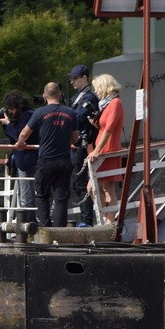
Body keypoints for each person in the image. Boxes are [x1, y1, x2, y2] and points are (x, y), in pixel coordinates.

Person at [14, 82, 78, 228]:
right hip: (64, 160)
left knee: (42, 196)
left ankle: (46, 230)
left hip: (46, 161)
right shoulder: (70, 113)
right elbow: (75, 138)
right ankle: (59, 232)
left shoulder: (39, 112)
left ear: (44, 96)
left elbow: (24, 133)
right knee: (61, 198)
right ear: (60, 94)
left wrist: (20, 143)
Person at [86, 74, 125, 224]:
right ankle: (107, 217)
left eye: (97, 88)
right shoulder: (107, 104)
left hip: (109, 149)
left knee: (107, 187)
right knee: (93, 187)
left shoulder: (115, 103)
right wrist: (96, 125)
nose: (96, 92)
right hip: (103, 148)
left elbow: (109, 129)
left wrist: (96, 150)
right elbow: (105, 127)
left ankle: (109, 220)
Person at [0, 90, 38, 223]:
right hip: (26, 160)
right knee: (25, 197)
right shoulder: (27, 116)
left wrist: (8, 124)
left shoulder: (27, 117)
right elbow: (13, 136)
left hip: (27, 161)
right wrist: (7, 124)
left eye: (11, 109)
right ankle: (28, 226)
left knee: (26, 198)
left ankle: (28, 228)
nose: (11, 112)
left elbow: (18, 135)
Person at [68, 64, 99, 226]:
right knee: (77, 184)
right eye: (71, 78)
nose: (72, 81)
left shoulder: (89, 97)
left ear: (85, 78)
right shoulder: (78, 97)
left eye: (75, 78)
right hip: (76, 145)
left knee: (82, 183)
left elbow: (78, 118)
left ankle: (87, 220)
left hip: (83, 144)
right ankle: (85, 218)